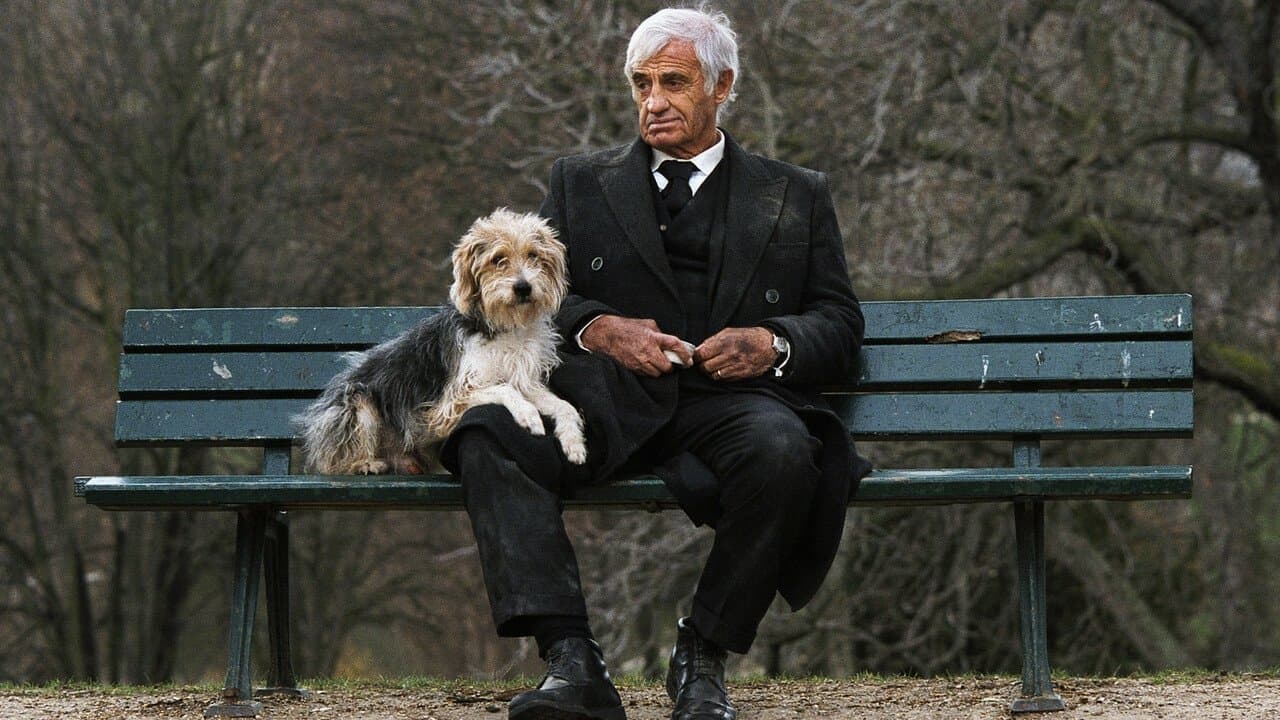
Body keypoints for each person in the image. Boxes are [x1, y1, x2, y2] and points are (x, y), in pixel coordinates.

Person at [439, 7, 871, 720]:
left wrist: (772, 342)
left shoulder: (795, 192)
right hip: (602, 397)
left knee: (787, 452)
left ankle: (704, 655)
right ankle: (572, 663)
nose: (654, 101)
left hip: (730, 402)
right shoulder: (580, 182)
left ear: (721, 86)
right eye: (642, 84)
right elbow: (532, 291)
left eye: (674, 82)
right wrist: (599, 328)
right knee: (486, 432)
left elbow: (839, 320)